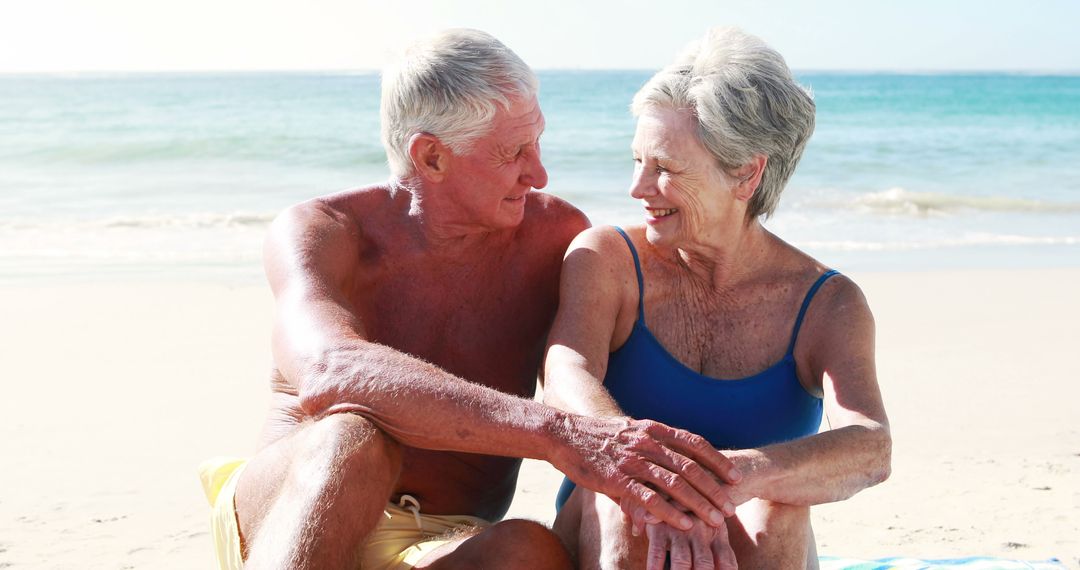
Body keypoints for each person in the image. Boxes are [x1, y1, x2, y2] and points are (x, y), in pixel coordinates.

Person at [198, 29, 744, 570]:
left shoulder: (555, 236)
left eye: (538, 142)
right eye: (513, 153)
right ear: (431, 157)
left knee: (528, 550)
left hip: (441, 538)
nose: (539, 172)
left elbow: (608, 352)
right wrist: (558, 435)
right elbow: (328, 369)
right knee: (355, 437)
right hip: (290, 513)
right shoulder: (325, 231)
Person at [544, 27, 892, 570]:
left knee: (778, 511)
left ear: (746, 174)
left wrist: (738, 478)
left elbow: (870, 445)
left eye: (664, 168)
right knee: (630, 511)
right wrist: (649, 474)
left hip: (749, 531)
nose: (638, 188)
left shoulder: (828, 303)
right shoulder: (607, 259)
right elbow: (565, 372)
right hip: (609, 519)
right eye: (637, 161)